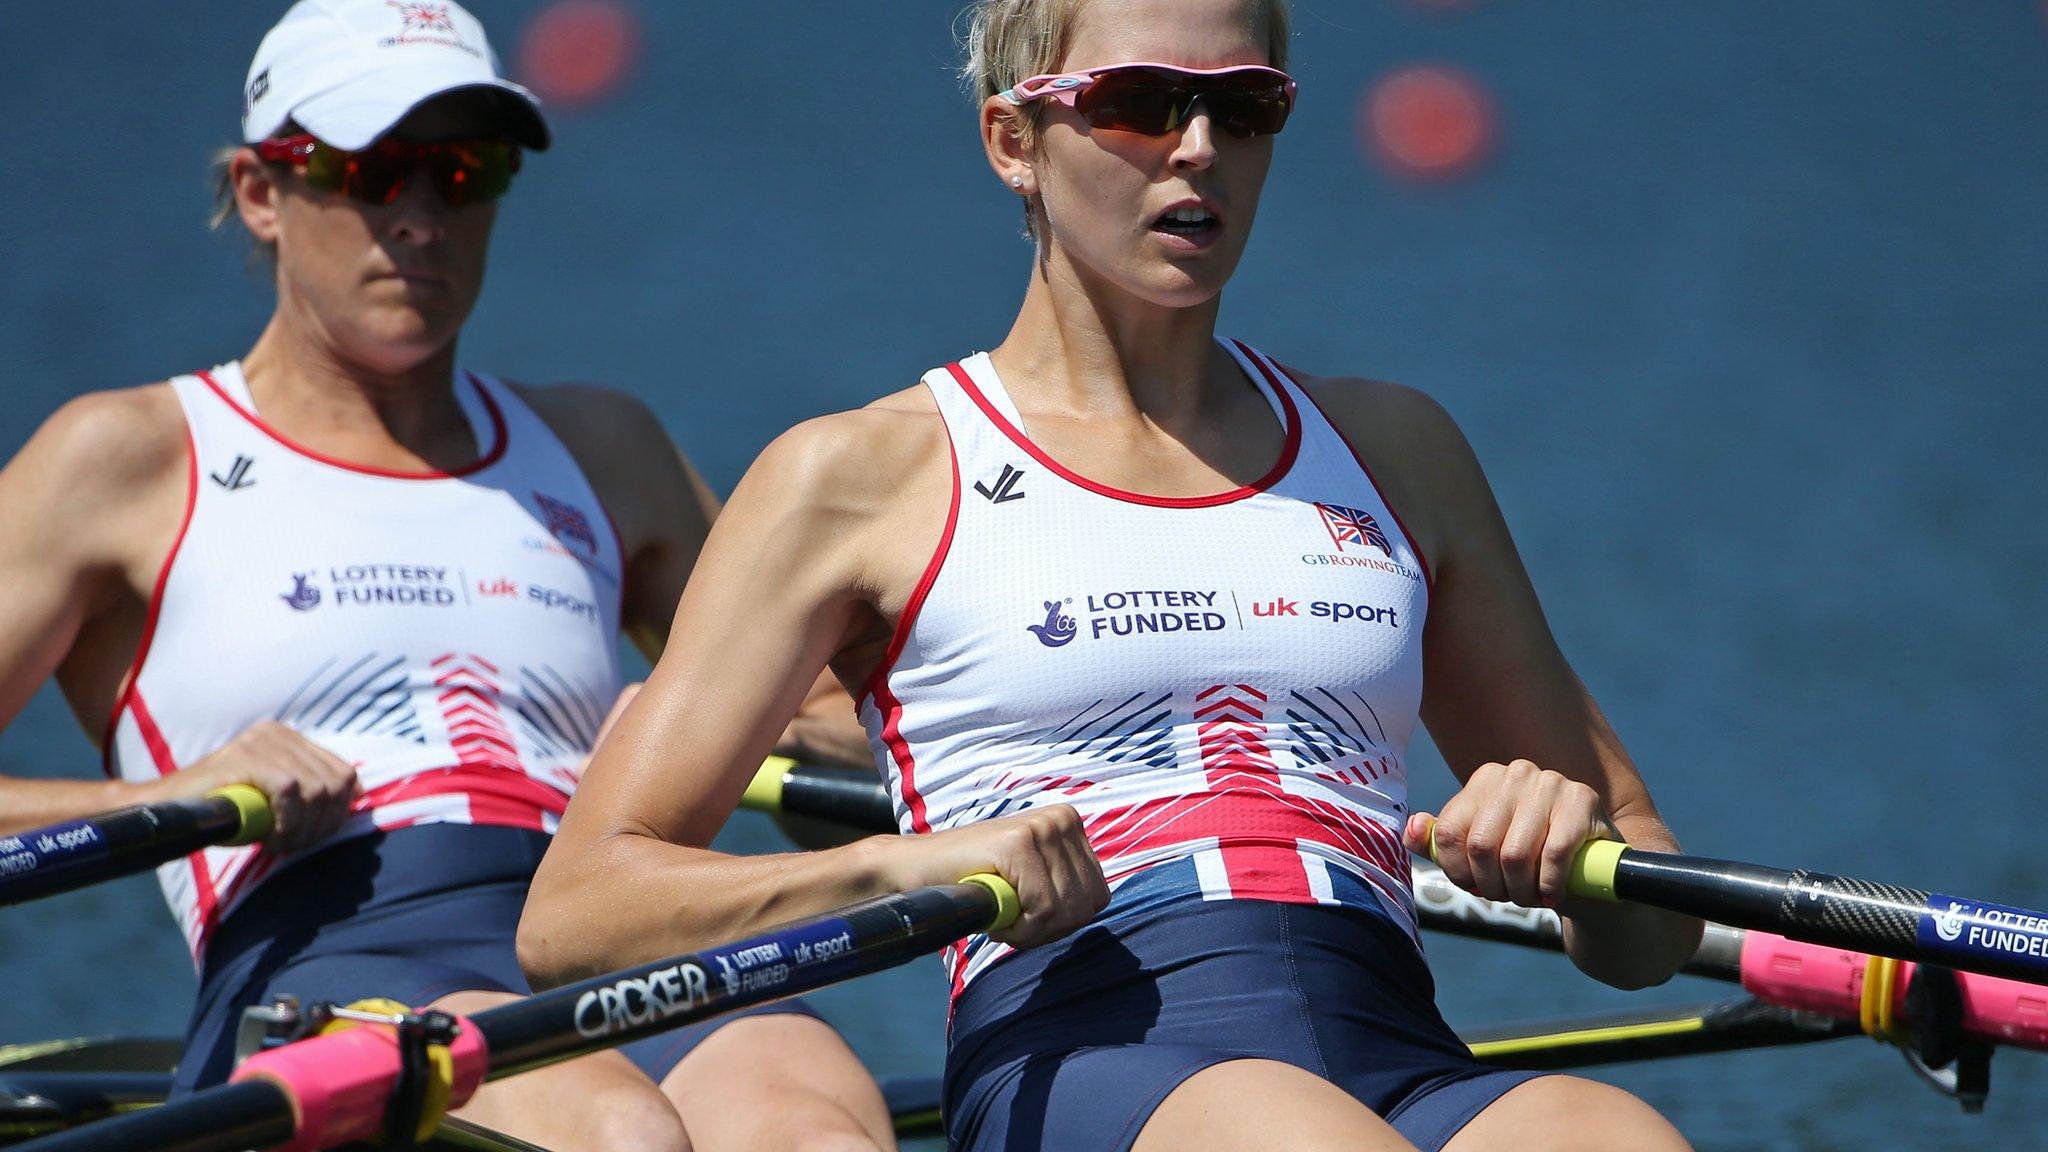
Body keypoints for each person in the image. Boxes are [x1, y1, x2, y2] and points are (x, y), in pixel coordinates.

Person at [521, 0, 1704, 1149]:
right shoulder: (859, 475)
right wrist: (896, 869)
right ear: (1012, 142)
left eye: (1241, 106)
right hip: (1084, 1058)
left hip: (1398, 1053)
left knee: (1618, 1135)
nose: (1197, 148)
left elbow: (1652, 931)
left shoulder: (1397, 453)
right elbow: (578, 916)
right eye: (1136, 103)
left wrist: (1581, 851)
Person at [0, 2, 893, 1149]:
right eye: (373, 172)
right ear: (262, 192)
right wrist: (163, 806)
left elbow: (858, 735)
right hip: (334, 958)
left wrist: (712, 733)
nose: (420, 217)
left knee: (818, 1123)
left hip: (615, 922)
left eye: (463, 172)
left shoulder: (602, 448)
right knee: (617, 1132)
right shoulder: (124, 457)